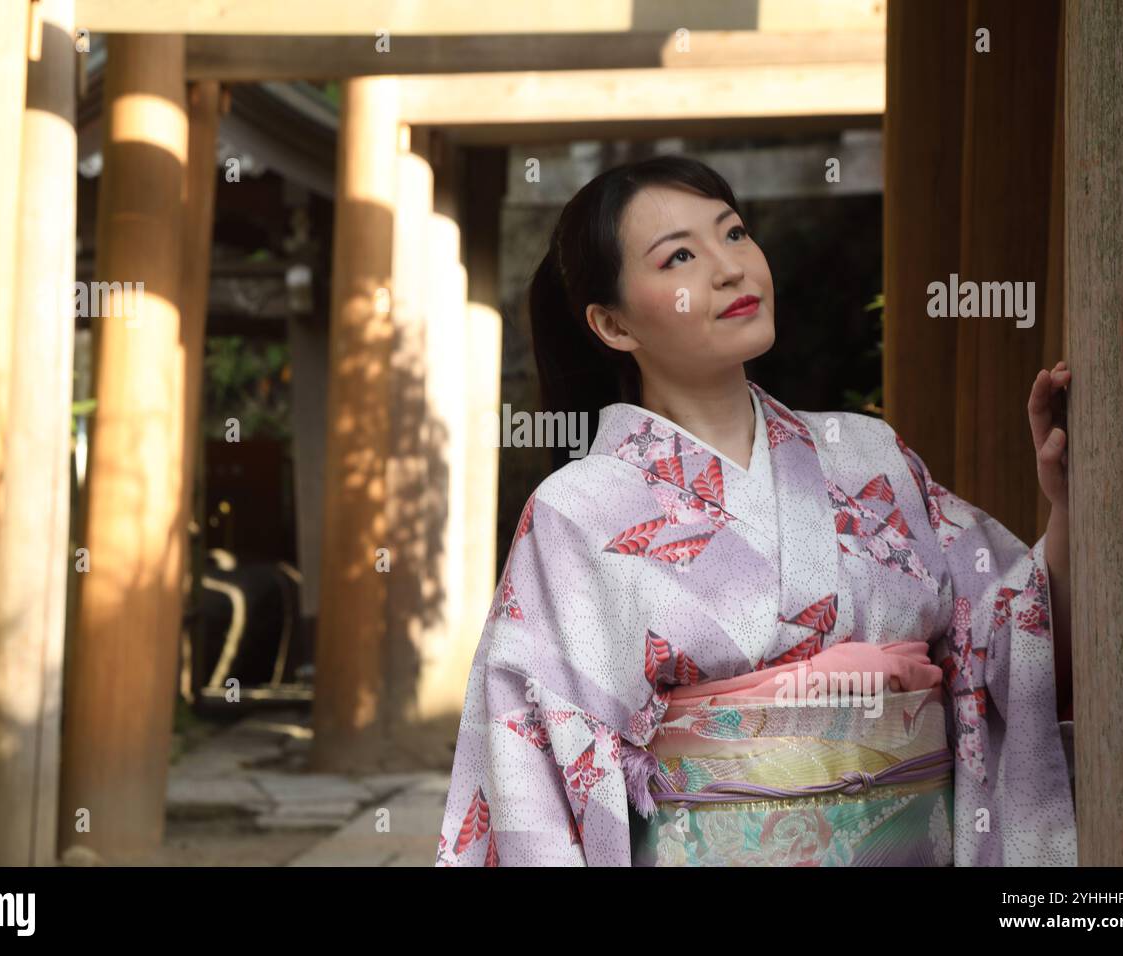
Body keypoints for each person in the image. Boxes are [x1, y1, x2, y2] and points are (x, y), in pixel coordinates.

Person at [435, 155, 1075, 867]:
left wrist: (1068, 506)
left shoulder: (868, 454)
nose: (729, 268)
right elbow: (534, 773)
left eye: (734, 234)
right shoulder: (578, 512)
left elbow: (1013, 630)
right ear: (613, 324)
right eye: (680, 255)